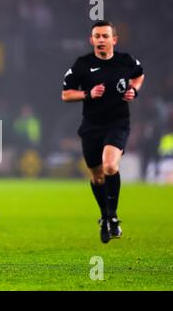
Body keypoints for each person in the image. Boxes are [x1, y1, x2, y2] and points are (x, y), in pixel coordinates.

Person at [62, 21, 145, 243]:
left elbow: (139, 74)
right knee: (97, 177)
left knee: (110, 166)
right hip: (91, 126)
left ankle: (111, 216)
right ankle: (106, 215)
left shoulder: (125, 61)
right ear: (91, 40)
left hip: (117, 123)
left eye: (105, 36)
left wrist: (134, 90)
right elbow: (66, 94)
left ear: (113, 40)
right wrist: (87, 94)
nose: (100, 40)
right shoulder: (82, 64)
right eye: (96, 36)